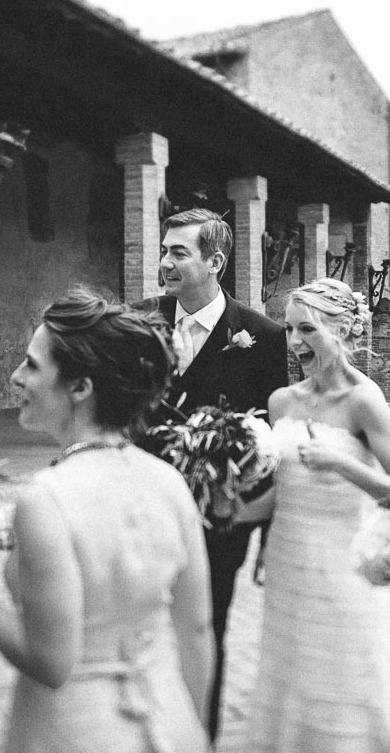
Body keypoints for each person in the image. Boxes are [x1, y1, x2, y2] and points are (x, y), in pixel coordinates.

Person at [0, 288, 214, 753]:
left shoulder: (48, 498)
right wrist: (196, 728)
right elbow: (197, 630)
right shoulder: (169, 481)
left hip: (75, 729)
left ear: (81, 387)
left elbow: (50, 662)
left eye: (32, 365)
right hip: (170, 717)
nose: (15, 377)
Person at [241, 278, 390, 753]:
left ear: (344, 332)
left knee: (341, 674)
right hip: (288, 559)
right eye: (290, 330)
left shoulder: (364, 401)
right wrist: (232, 512)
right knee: (290, 672)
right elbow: (280, 490)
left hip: (344, 562)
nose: (296, 342)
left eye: (309, 330)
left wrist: (343, 465)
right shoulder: (282, 401)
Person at [150, 208, 287, 741]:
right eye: (164, 250)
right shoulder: (142, 322)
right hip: (148, 511)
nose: (165, 262)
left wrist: (265, 530)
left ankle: (197, 736)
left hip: (219, 521)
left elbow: (271, 441)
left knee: (206, 630)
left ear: (216, 262)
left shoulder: (261, 335)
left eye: (178, 252)